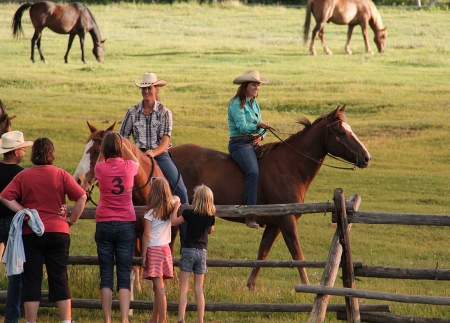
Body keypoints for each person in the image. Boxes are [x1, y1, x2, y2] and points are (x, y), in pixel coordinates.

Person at [0, 137, 87, 323]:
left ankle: (31, 321)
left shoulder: (24, 176)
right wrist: (71, 219)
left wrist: (23, 211)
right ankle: (66, 320)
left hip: (31, 231)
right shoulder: (61, 174)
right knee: (60, 277)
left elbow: (5, 196)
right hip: (58, 230)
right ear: (52, 153)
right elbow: (81, 197)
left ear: (33, 155)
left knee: (32, 279)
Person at [118, 72, 189, 241]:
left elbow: (165, 141)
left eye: (149, 88)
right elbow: (122, 138)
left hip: (160, 156)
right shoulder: (132, 112)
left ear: (156, 89)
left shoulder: (165, 112)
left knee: (181, 190)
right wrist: (133, 153)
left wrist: (153, 153)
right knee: (121, 188)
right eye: (143, 88)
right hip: (136, 156)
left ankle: (186, 235)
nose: (146, 91)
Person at [94, 131, 139, 323]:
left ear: (104, 150)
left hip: (104, 221)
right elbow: (134, 158)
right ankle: (124, 319)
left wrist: (105, 147)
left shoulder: (101, 169)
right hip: (125, 224)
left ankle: (107, 319)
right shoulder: (130, 167)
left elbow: (98, 162)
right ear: (120, 149)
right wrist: (123, 146)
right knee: (123, 273)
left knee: (106, 275)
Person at [227, 70, 270, 229]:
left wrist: (261, 136)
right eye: (254, 84)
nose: (257, 87)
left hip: (253, 143)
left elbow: (259, 129)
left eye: (258, 84)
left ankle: (264, 210)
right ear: (245, 86)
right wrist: (257, 126)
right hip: (239, 144)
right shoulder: (237, 103)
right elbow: (242, 127)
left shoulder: (254, 103)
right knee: (253, 171)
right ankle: (250, 214)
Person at [0, 131, 33, 323]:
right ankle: (12, 316)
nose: (24, 152)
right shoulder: (22, 174)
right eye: (22, 148)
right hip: (14, 225)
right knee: (16, 272)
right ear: (16, 152)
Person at [171, 184, 216, 323]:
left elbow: (173, 222)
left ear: (196, 199)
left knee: (184, 286)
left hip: (188, 249)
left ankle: (181, 319)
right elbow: (210, 231)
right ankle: (200, 320)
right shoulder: (210, 216)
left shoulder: (189, 213)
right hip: (202, 252)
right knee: (199, 289)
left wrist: (175, 207)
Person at [141, 177, 180, 323]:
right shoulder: (169, 207)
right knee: (158, 288)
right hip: (165, 250)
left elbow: (146, 235)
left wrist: (143, 254)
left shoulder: (150, 213)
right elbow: (177, 198)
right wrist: (175, 204)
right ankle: (154, 318)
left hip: (154, 249)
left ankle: (163, 320)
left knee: (159, 288)